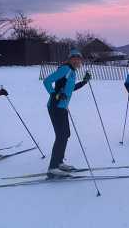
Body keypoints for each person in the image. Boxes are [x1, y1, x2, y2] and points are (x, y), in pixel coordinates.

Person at [43, 49, 91, 177]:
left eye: (78, 59)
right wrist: (55, 94)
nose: (76, 61)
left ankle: (59, 162)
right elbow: (47, 81)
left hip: (62, 107)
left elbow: (70, 89)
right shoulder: (65, 69)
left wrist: (84, 82)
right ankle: (53, 167)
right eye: (74, 58)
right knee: (61, 136)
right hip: (55, 107)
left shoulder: (72, 72)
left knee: (65, 134)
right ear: (69, 59)